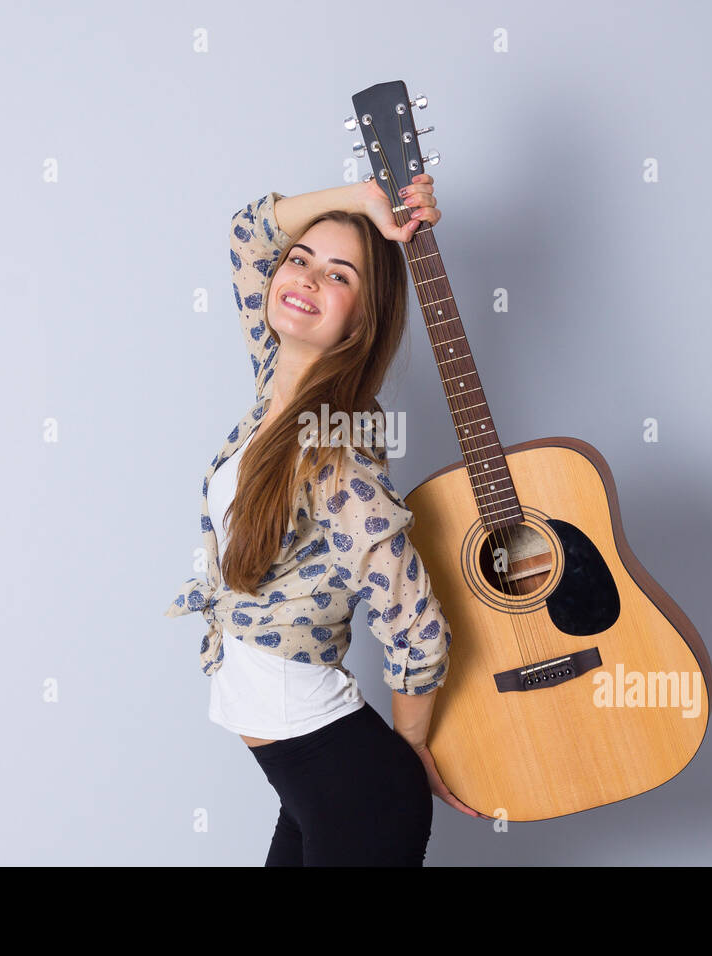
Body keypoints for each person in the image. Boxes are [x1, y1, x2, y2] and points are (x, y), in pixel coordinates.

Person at [167, 174, 485, 867]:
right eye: (300, 259)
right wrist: (366, 201)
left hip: (354, 787)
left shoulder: (337, 455)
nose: (305, 277)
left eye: (338, 275)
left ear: (361, 319)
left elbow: (416, 625)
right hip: (313, 783)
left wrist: (410, 748)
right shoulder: (274, 382)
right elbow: (249, 232)